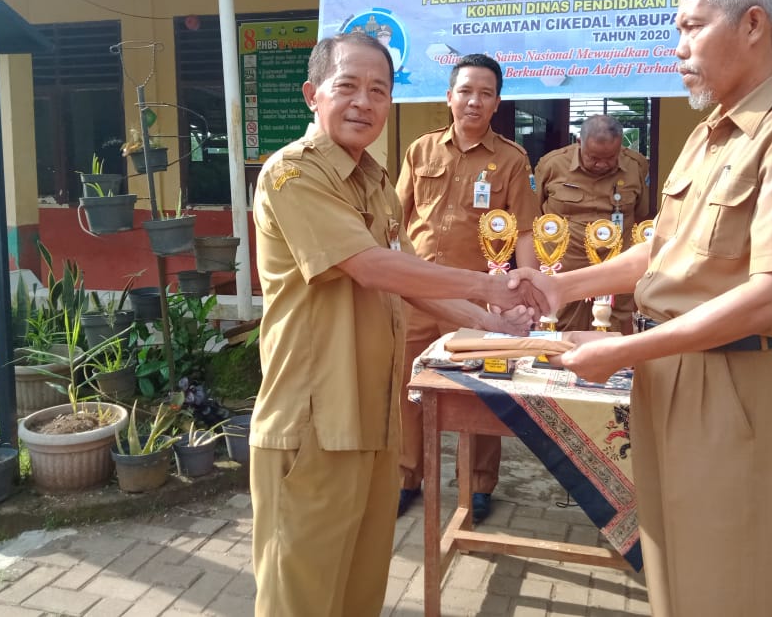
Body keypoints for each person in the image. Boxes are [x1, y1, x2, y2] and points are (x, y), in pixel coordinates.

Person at [541, 0, 772, 617]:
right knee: (671, 570)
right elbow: (661, 250)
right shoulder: (710, 134)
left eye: (691, 27)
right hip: (671, 376)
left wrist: (622, 352)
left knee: (728, 585)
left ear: (751, 25)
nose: (677, 46)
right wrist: (560, 289)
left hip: (735, 385)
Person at [249, 33, 545, 617]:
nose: (364, 102)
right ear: (313, 95)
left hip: (374, 417)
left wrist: (498, 324)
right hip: (315, 422)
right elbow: (368, 266)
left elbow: (413, 280)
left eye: (378, 90)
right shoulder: (292, 176)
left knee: (360, 590)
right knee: (300, 597)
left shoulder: (376, 182)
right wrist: (484, 284)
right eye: (348, 87)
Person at [395, 53, 540, 522]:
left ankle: (478, 486)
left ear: (497, 102)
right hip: (416, 293)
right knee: (407, 386)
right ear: (449, 96)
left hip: (479, 299)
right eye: (466, 91)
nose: (474, 101)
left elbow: (522, 232)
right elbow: (397, 220)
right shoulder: (420, 150)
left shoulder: (512, 160)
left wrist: (530, 285)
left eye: (485, 93)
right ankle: (405, 476)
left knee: (481, 391)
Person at [533, 114, 649, 332]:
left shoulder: (636, 167)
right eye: (594, 157)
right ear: (579, 142)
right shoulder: (553, 165)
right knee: (559, 328)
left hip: (615, 269)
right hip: (565, 270)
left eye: (610, 157)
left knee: (614, 331)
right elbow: (534, 215)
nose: (602, 164)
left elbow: (641, 216)